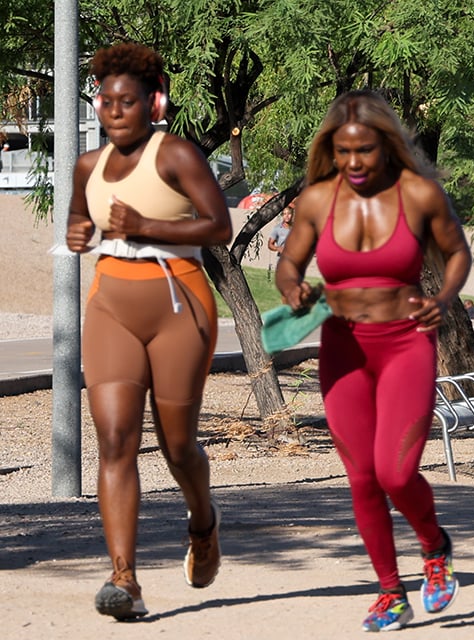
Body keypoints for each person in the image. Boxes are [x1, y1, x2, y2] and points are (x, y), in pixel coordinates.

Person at [275, 90, 470, 632]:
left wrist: (443, 298)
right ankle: (391, 591)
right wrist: (292, 290)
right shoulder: (317, 200)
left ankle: (434, 547)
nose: (354, 163)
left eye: (364, 150)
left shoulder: (419, 194)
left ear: (386, 146)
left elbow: (457, 252)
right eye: (343, 152)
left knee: (395, 470)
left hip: (406, 342)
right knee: (362, 478)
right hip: (342, 348)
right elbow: (289, 264)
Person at [65, 43, 232, 620]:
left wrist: (148, 224)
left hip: (177, 301)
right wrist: (78, 236)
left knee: (176, 445)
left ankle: (203, 520)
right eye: (105, 101)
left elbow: (220, 226)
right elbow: (78, 221)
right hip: (111, 301)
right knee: (115, 440)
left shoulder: (176, 155)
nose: (114, 111)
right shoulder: (87, 165)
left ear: (152, 102)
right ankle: (124, 580)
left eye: (127, 101)